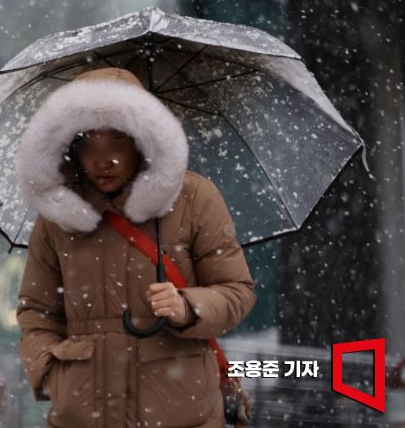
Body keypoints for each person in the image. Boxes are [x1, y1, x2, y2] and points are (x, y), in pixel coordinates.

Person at [14, 67, 257, 428]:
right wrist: (52, 376)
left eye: (116, 141)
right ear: (70, 147)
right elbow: (37, 311)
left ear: (140, 140)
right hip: (81, 415)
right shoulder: (56, 215)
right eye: (89, 144)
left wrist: (186, 306)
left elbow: (237, 292)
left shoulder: (192, 198)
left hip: (181, 412)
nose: (103, 159)